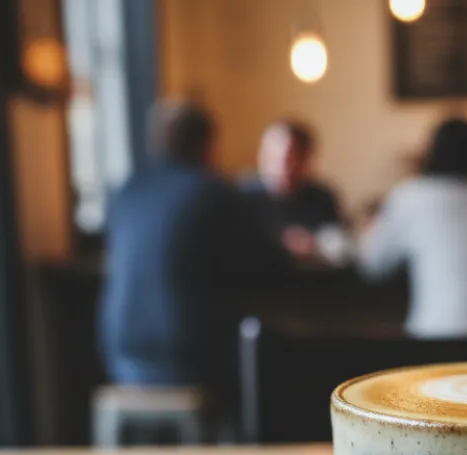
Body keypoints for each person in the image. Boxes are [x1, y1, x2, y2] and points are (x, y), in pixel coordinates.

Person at [99, 101, 270, 404]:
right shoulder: (214, 192)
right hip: (188, 357)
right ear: (208, 145)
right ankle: (241, 446)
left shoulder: (126, 190)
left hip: (119, 352)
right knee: (260, 353)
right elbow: (266, 260)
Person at [357, 117, 467, 339]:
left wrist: (369, 227)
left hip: (437, 340)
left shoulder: (411, 196)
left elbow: (372, 263)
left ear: (430, 153)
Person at [240, 120, 347, 261]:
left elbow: (341, 246)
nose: (280, 167)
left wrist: (316, 242)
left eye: (289, 159)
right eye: (272, 157)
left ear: (306, 159)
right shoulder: (242, 197)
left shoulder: (323, 197)